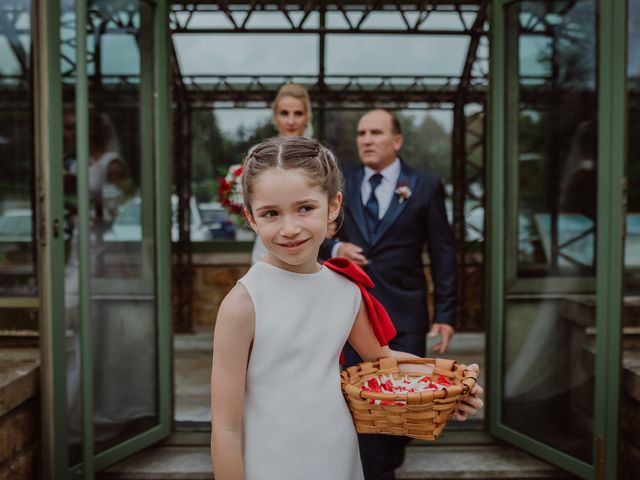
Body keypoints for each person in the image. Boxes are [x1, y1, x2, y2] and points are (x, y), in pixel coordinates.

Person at [210, 136, 482, 480]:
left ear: (334, 205)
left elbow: (384, 361)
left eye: (305, 208)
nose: (289, 228)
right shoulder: (242, 304)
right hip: (269, 460)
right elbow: (225, 428)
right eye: (271, 214)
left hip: (338, 454)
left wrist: (451, 386)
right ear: (250, 217)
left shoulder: (346, 289)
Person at [319, 109, 457, 480]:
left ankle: (386, 460)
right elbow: (311, 235)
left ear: (397, 140)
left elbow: (443, 252)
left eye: (376, 132)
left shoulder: (425, 185)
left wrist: (445, 314)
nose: (366, 139)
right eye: (362, 132)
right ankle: (374, 469)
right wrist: (336, 249)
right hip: (351, 315)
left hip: (405, 315)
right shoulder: (341, 181)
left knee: (400, 403)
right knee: (362, 403)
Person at [250, 83, 314, 264]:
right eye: (284, 113)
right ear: (276, 117)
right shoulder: (257, 154)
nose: (291, 121)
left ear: (307, 117)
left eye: (298, 114)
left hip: (308, 244)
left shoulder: (322, 156)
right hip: (268, 242)